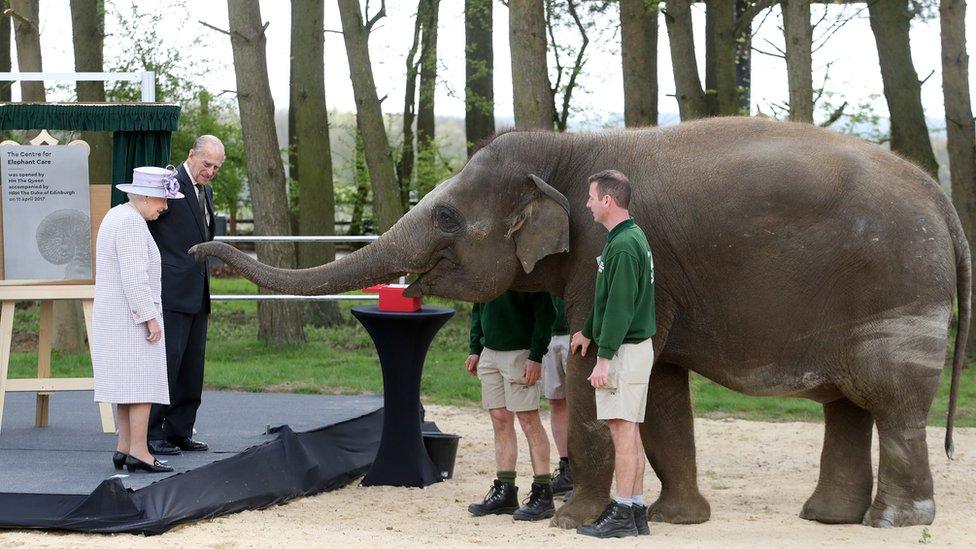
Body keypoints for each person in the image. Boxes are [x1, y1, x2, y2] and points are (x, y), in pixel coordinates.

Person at [571, 169, 655, 538]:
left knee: (622, 432)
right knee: (629, 430)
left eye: (591, 197)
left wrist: (604, 358)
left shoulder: (623, 244)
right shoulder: (627, 237)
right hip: (633, 348)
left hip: (625, 350)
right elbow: (607, 297)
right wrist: (588, 331)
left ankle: (622, 511)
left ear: (608, 200)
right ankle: (634, 509)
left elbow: (621, 306)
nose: (587, 204)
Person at [92, 166, 185, 473]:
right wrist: (150, 318)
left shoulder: (116, 215)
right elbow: (135, 278)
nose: (165, 207)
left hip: (114, 317)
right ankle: (139, 451)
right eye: (162, 200)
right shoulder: (131, 223)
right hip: (130, 319)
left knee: (126, 385)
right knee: (142, 385)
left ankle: (124, 448)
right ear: (145, 197)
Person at [147, 135, 224, 456]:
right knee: (166, 365)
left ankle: (180, 430)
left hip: (198, 291)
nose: (211, 172)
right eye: (207, 164)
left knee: (192, 368)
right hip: (170, 290)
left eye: (216, 168)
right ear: (191, 155)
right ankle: (150, 434)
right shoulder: (168, 184)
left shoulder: (206, 191)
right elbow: (149, 228)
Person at [466, 290, 557, 521]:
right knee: (499, 419)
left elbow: (546, 313)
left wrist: (536, 355)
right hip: (490, 353)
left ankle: (543, 493)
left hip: (521, 351)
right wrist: (475, 348)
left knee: (528, 420)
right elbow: (478, 307)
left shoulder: (527, 270)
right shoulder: (486, 267)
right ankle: (505, 490)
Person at [542, 295, 572, 496]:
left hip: (575, 331)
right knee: (556, 401)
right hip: (548, 331)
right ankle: (567, 469)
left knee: (582, 404)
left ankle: (586, 471)